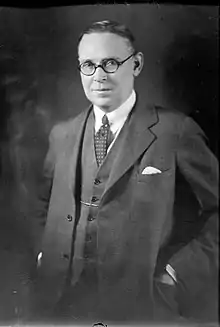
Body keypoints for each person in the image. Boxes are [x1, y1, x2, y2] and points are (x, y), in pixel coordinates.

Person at [29, 20, 218, 325]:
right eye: (88, 65)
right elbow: (42, 203)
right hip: (59, 303)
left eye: (111, 63)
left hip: (141, 306)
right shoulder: (62, 134)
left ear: (137, 64)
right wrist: (44, 255)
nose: (98, 76)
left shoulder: (176, 131)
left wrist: (177, 272)